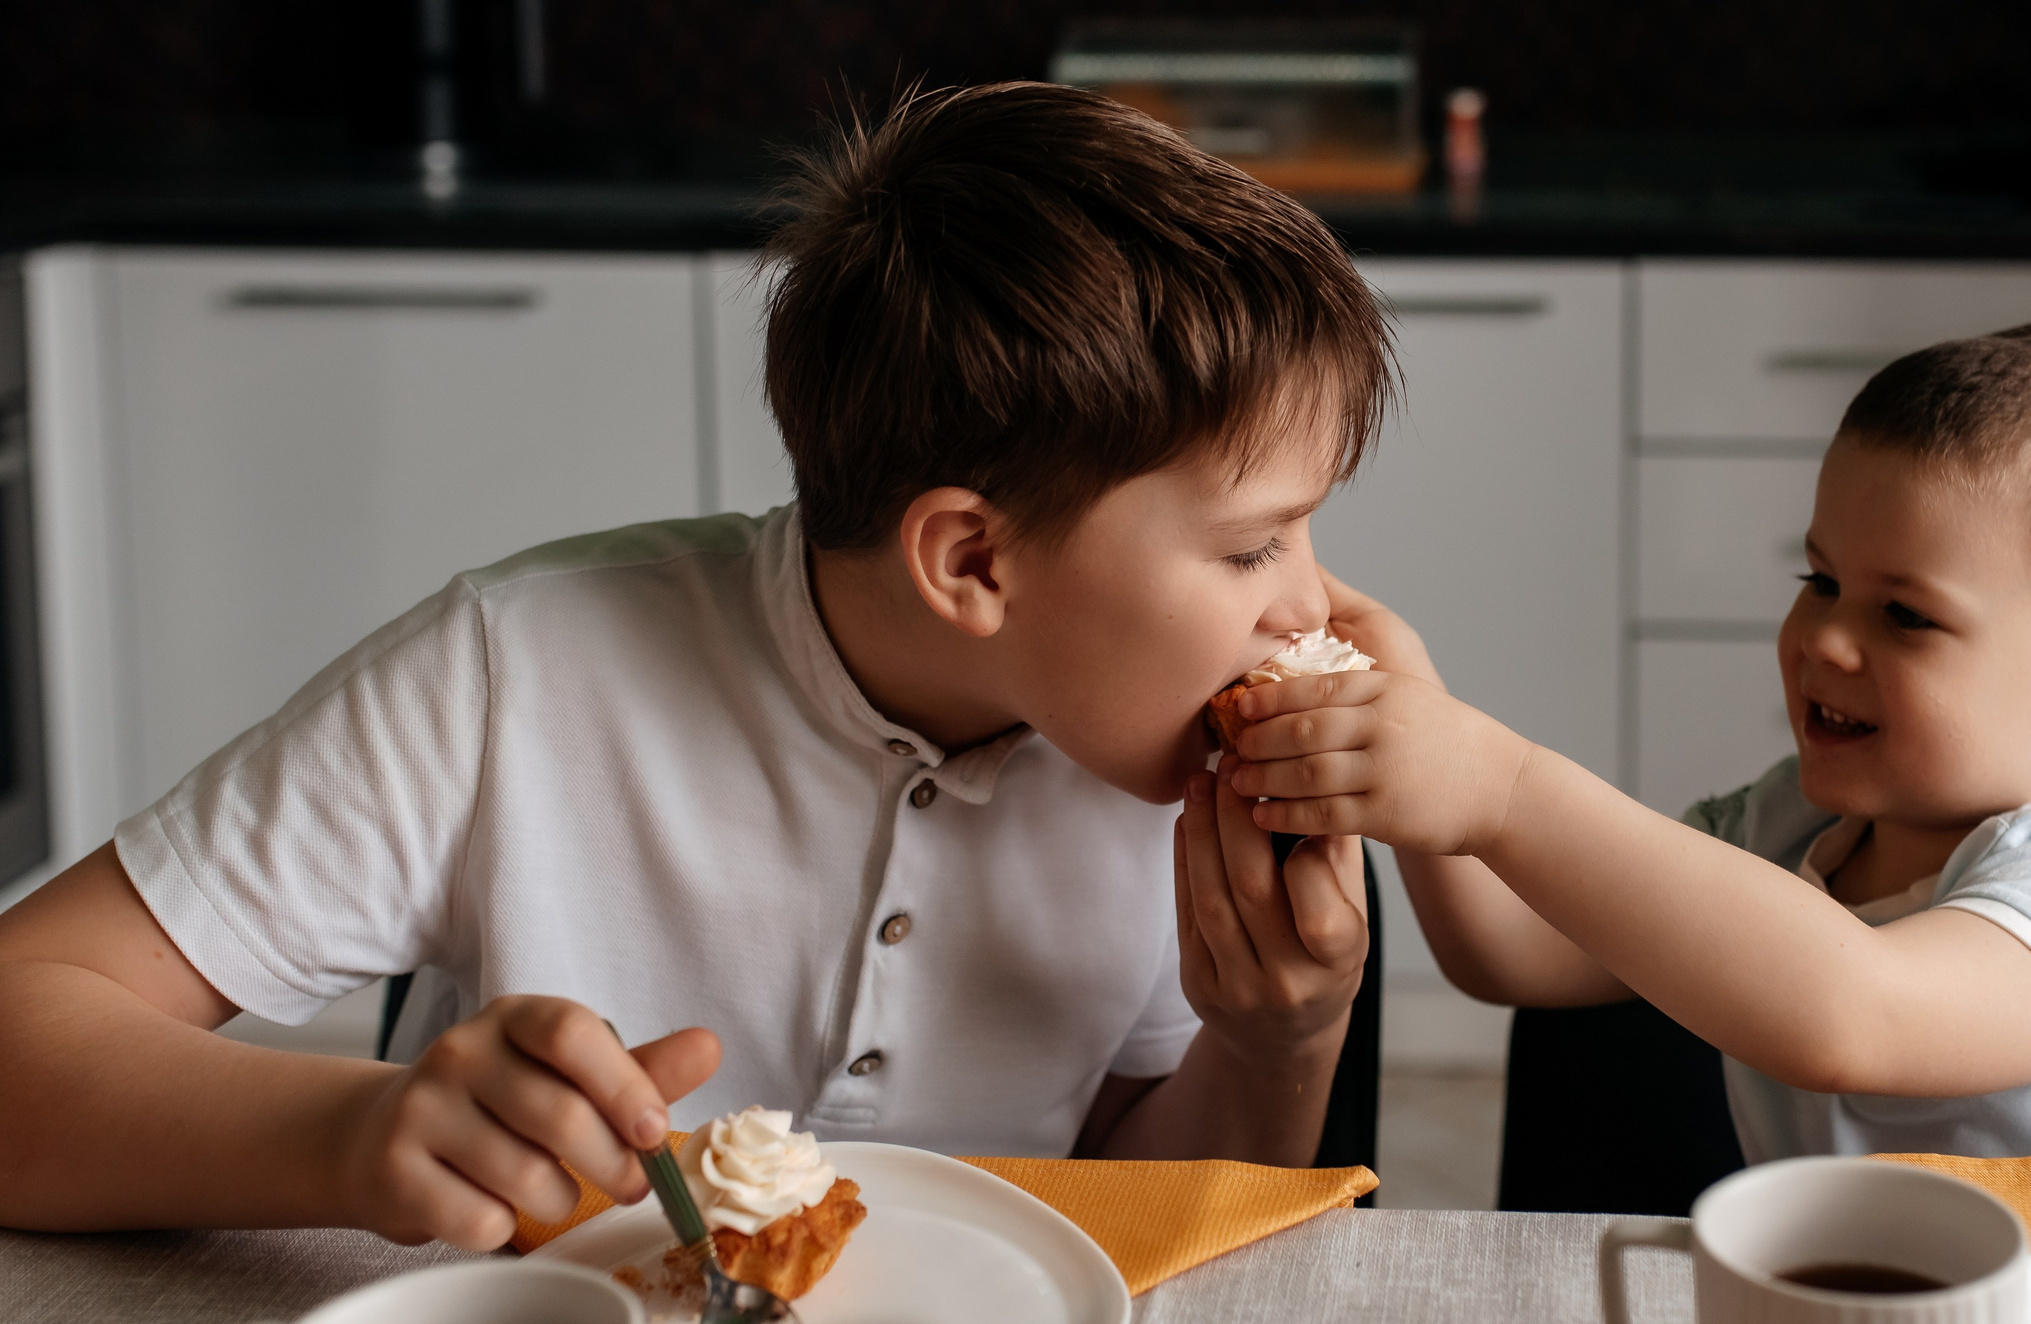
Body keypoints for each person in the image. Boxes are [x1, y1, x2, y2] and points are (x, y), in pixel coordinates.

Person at [0, 83, 1394, 1249]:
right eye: (1253, 545)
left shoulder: (1152, 765)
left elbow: (1124, 1218)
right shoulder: (514, 674)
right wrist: (356, 1131)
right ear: (971, 563)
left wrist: (1278, 1044)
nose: (1312, 604)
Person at [1234, 321, 2031, 1173]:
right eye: (1819, 582)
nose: (1823, 639)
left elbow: (1853, 1013)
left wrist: (1501, 787)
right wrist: (1413, 725)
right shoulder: (1796, 823)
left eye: (1905, 615)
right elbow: (1512, 952)